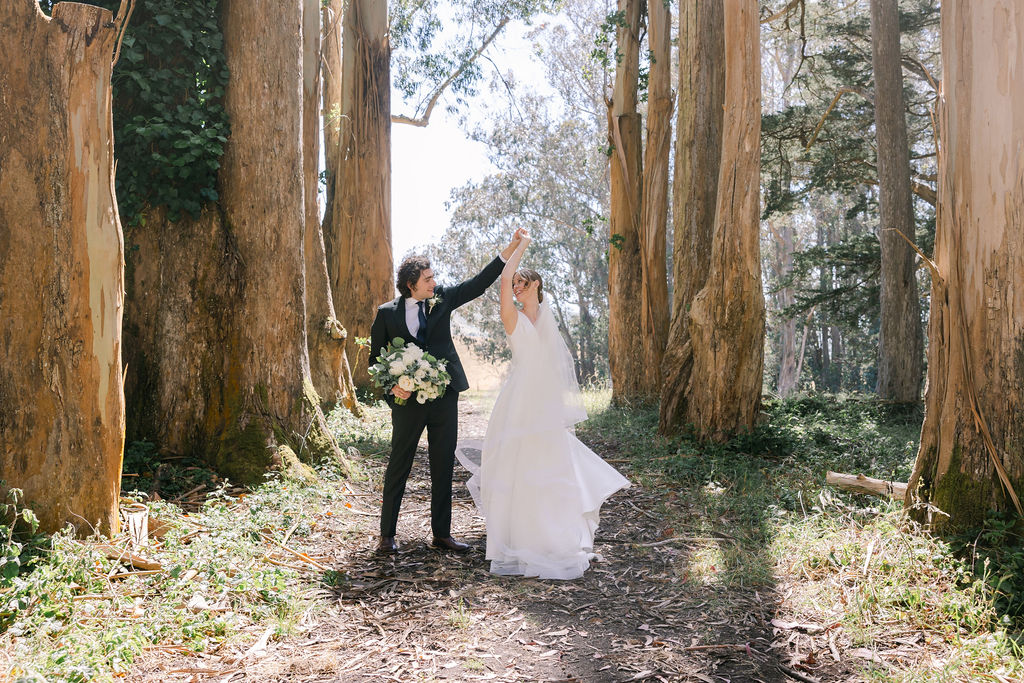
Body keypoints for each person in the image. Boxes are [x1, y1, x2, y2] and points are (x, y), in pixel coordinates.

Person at [458, 231, 630, 579]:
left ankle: (553, 538)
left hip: (544, 401)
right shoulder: (512, 317)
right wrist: (521, 245)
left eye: (522, 283)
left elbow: (557, 367)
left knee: (551, 468)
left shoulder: (549, 319)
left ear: (535, 284)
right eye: (515, 284)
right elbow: (504, 277)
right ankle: (517, 541)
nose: (516, 287)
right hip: (519, 400)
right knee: (519, 466)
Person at [370, 230, 526, 554]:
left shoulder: (441, 300)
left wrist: (510, 248)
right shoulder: (386, 314)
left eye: (433, 277)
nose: (433, 282)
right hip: (407, 402)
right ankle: (387, 536)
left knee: (443, 464)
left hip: (444, 396)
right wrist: (392, 389)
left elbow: (478, 283)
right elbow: (375, 359)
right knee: (400, 463)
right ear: (411, 283)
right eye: (427, 279)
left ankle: (442, 534)